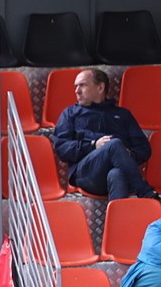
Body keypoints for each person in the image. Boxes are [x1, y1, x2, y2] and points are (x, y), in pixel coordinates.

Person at [53, 68, 155, 201]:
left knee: (117, 174)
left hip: (118, 172)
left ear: (100, 87)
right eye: (76, 86)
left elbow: (144, 149)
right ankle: (146, 193)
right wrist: (93, 145)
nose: (77, 91)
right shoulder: (70, 114)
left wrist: (127, 155)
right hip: (86, 174)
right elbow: (61, 147)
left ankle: (118, 221)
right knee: (114, 144)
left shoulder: (123, 114)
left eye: (82, 85)